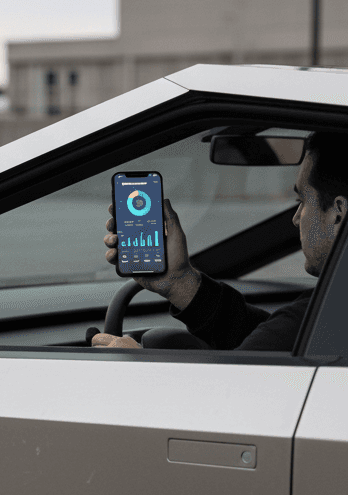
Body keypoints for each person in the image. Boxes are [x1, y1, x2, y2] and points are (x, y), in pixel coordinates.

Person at [93, 132, 348, 351]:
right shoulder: (321, 319)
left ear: (338, 212)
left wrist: (139, 365)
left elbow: (231, 387)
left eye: (302, 201)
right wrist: (179, 282)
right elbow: (271, 342)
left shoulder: (324, 315)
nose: (295, 218)